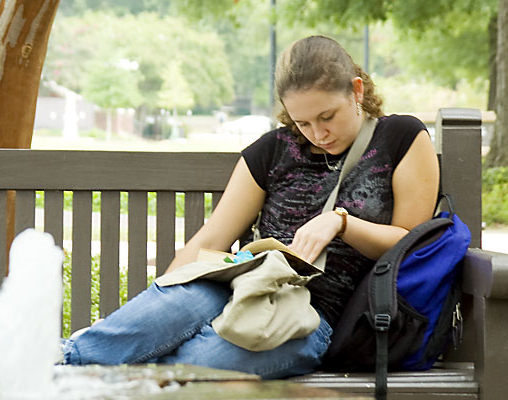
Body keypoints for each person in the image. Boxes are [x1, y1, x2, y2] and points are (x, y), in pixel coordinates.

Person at [62, 35, 439, 378]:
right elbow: (212, 237)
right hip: (242, 286)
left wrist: (341, 223)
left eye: (327, 117)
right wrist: (167, 293)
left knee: (204, 365)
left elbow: (410, 245)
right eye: (303, 121)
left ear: (357, 91)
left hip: (313, 317)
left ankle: (96, 377)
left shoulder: (401, 138)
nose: (318, 134)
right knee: (180, 301)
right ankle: (53, 366)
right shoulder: (272, 150)